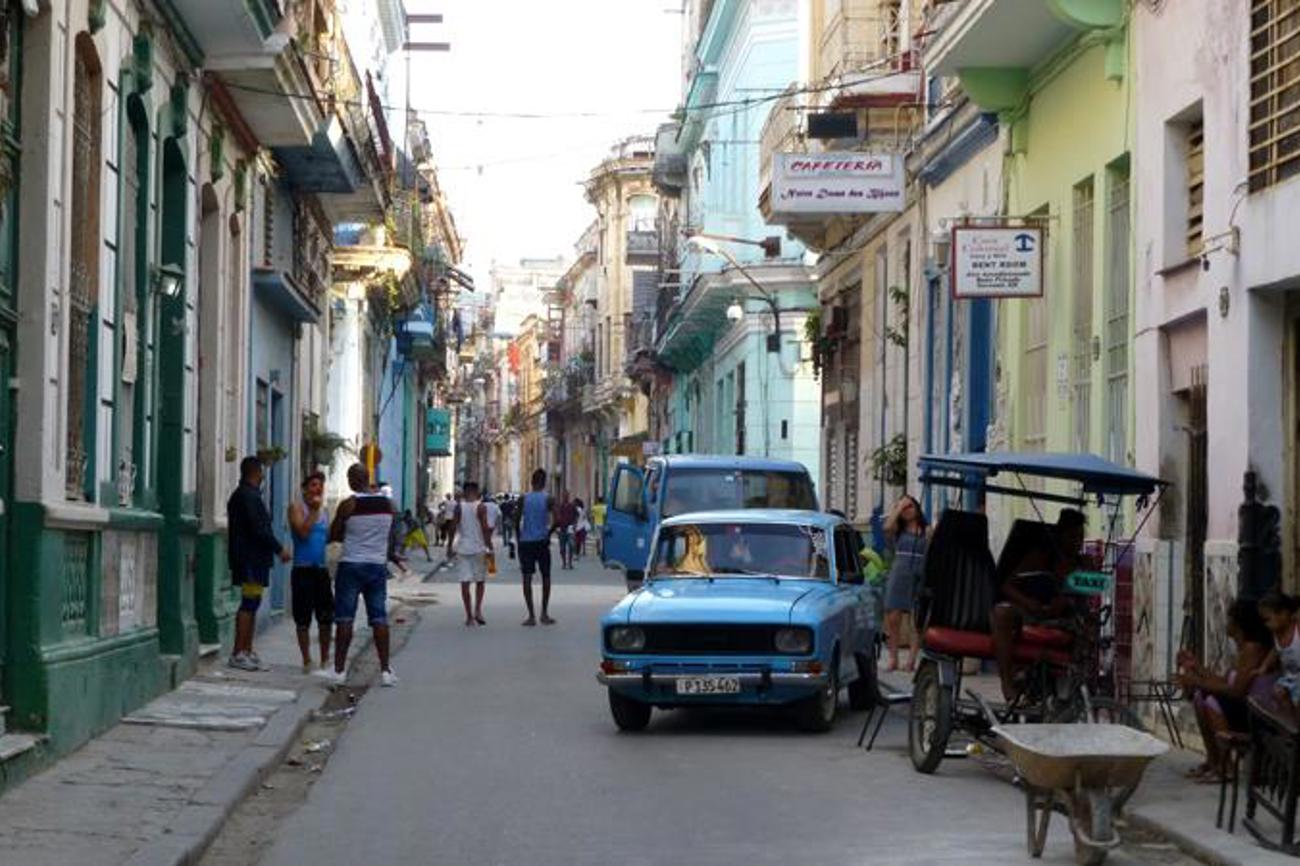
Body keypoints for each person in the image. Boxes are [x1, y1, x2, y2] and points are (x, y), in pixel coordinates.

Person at [991, 509, 1089, 701]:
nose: (1077, 542)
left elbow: (1088, 597)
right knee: (1001, 613)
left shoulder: (1084, 564)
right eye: (1072, 536)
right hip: (1031, 612)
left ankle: (1073, 690)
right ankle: (1007, 682)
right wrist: (1030, 603)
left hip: (1065, 619)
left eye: (1080, 537)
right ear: (1060, 535)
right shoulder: (1041, 556)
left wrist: (1066, 601)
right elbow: (1007, 586)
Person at [319, 463, 399, 688]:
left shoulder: (349, 504)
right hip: (376, 566)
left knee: (345, 618)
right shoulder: (388, 505)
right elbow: (392, 536)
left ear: (353, 480)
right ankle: (385, 671)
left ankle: (339, 671)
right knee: (379, 618)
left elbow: (334, 534)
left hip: (351, 565)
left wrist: (347, 531)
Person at [1176, 598, 1272, 781]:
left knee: (1211, 701)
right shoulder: (1242, 649)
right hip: (1243, 708)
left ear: (1238, 624)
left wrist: (1195, 680)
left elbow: (1236, 690)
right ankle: (1214, 761)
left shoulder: (1253, 649)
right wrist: (1196, 667)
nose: (1226, 623)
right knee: (1199, 697)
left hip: (1257, 713)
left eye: (1229, 619)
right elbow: (1222, 681)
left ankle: (1226, 766)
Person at [226, 457, 292, 671]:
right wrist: (278, 548)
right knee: (249, 602)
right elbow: (259, 529)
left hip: (252, 559)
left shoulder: (246, 495)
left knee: (253, 601)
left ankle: (247, 649)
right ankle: (239, 651)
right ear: (255, 473)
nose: (263, 476)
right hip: (250, 559)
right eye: (261, 473)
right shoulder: (248, 497)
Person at [288, 472, 333, 673]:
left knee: (325, 617)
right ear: (305, 488)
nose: (318, 489)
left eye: (321, 485)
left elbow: (328, 538)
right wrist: (313, 512)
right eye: (314, 485)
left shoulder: (325, 512)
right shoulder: (297, 508)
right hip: (302, 569)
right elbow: (303, 534)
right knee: (303, 618)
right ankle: (307, 660)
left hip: (321, 570)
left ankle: (325, 659)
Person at [883, 496, 928, 673]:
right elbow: (887, 527)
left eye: (910, 506)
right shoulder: (898, 530)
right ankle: (893, 657)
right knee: (893, 616)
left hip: (919, 572)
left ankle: (911, 660)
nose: (907, 510)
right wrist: (898, 507)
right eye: (904, 508)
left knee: (916, 618)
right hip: (900, 570)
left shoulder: (927, 530)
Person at [447, 481, 493, 626]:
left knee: (465, 583)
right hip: (479, 548)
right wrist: (490, 547)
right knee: (480, 581)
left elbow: (453, 527)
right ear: (476, 491)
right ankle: (478, 610)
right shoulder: (481, 507)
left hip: (463, 549)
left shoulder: (459, 507)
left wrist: (449, 546)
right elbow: (485, 528)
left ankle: (469, 616)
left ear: (465, 491)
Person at [518, 469, 557, 626]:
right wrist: (549, 532)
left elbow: (516, 520)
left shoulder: (523, 498)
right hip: (542, 541)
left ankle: (531, 616)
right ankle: (544, 614)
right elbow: (558, 519)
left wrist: (518, 537)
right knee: (545, 576)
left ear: (531, 482)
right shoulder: (548, 499)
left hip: (526, 542)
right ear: (544, 482)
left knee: (527, 577)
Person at [1258, 591, 1300, 717]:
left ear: (1284, 614)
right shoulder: (1277, 634)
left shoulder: (1297, 629)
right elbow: (1275, 651)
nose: (1266, 625)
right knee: (1278, 693)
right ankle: (1291, 725)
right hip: (1290, 677)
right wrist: (1264, 666)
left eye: (1267, 620)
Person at [556, 490, 577, 569]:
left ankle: (570, 563)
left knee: (571, 546)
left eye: (567, 496)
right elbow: (556, 517)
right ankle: (564, 562)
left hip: (570, 529)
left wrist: (574, 525)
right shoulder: (560, 506)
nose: (565, 497)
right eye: (564, 496)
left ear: (568, 496)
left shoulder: (572, 506)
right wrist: (557, 528)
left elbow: (576, 516)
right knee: (562, 547)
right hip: (562, 529)